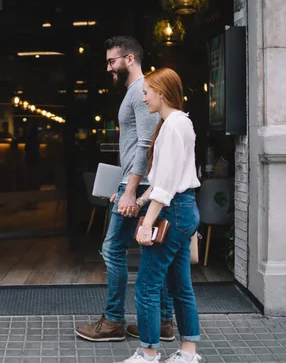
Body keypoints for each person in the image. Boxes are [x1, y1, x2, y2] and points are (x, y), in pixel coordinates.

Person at [75, 35, 175, 343]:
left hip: (141, 185)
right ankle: (162, 322)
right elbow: (134, 145)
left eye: (111, 61)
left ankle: (114, 322)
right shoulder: (135, 92)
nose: (108, 68)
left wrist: (131, 190)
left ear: (129, 59)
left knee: (113, 249)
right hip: (135, 183)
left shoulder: (142, 91)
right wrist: (121, 185)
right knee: (151, 251)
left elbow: (146, 144)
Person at [116, 67, 202, 363]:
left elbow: (165, 185)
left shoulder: (173, 126)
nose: (143, 99)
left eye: (146, 92)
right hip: (182, 208)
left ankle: (148, 352)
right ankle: (188, 353)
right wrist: (139, 201)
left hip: (172, 210)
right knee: (180, 285)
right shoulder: (177, 123)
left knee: (147, 285)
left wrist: (147, 223)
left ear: (161, 93)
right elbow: (165, 179)